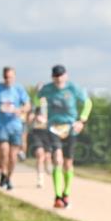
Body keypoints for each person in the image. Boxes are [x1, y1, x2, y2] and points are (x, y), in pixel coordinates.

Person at [36, 65, 92, 208]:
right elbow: (37, 99)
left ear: (66, 76)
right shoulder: (47, 89)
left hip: (70, 128)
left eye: (61, 75)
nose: (59, 78)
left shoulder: (73, 88)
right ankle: (57, 197)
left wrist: (82, 120)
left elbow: (87, 102)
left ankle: (66, 193)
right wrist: (39, 113)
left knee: (68, 163)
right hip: (54, 128)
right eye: (56, 76)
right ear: (52, 77)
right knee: (57, 159)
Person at [0, 67, 31, 190]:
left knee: (13, 156)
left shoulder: (19, 89)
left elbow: (28, 105)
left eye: (10, 77)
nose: (8, 79)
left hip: (16, 127)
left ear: (14, 77)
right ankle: (3, 173)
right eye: (6, 77)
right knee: (4, 153)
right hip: (2, 126)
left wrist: (20, 110)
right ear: (3, 76)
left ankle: (8, 178)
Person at [28, 83, 53, 188]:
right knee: (40, 155)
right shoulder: (34, 102)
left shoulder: (51, 102)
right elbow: (30, 116)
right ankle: (40, 179)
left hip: (48, 132)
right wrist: (33, 117)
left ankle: (48, 165)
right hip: (36, 131)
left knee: (47, 156)